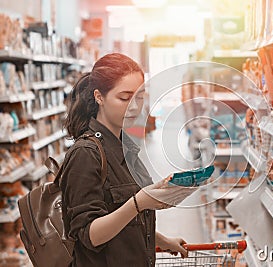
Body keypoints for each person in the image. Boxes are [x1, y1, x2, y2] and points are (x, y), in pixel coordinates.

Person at [61, 53, 195, 266]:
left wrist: (162, 240)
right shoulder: (86, 154)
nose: (134, 106)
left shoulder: (125, 147)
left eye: (140, 97)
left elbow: (122, 221)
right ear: (99, 97)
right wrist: (138, 202)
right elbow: (90, 235)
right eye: (124, 98)